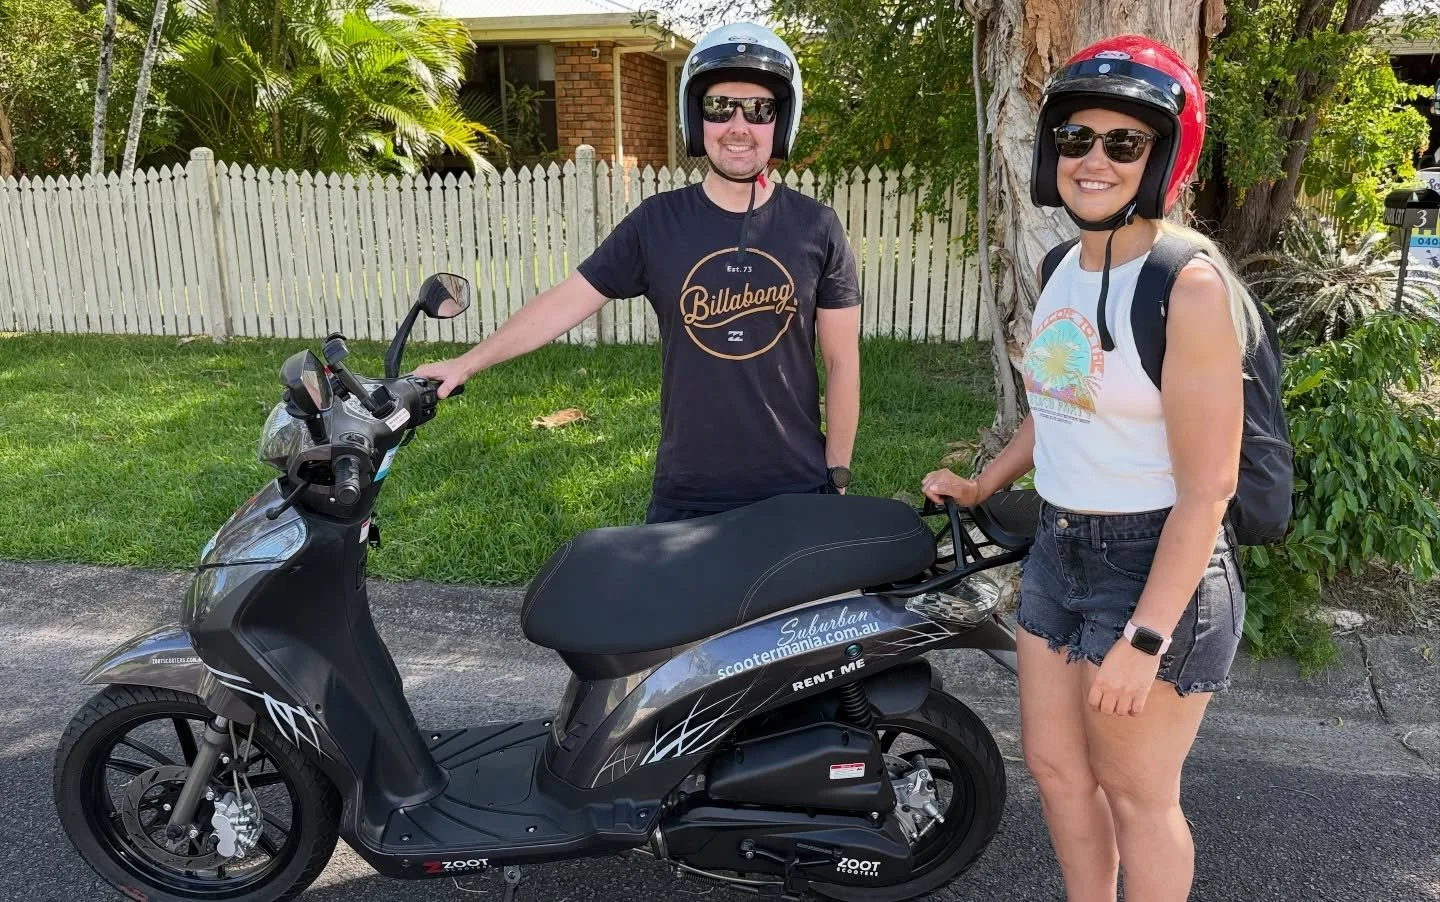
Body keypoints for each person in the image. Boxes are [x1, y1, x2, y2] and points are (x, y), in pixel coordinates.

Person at [920, 36, 1260, 902]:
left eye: (1122, 143)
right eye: (1075, 138)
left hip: (1154, 566)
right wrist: (986, 483)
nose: (1093, 158)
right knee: (1058, 770)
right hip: (1058, 551)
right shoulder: (1062, 264)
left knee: (1138, 796)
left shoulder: (1187, 287)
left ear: (1160, 159)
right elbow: (1060, 400)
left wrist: (1144, 639)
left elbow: (1210, 489)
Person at [415, 22, 862, 523]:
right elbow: (565, 301)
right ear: (696, 119)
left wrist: (836, 477)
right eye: (719, 107)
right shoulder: (657, 223)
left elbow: (841, 360)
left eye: (759, 110)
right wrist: (467, 363)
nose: (738, 126)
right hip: (689, 490)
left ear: (780, 122)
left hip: (796, 485)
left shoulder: (817, 227)